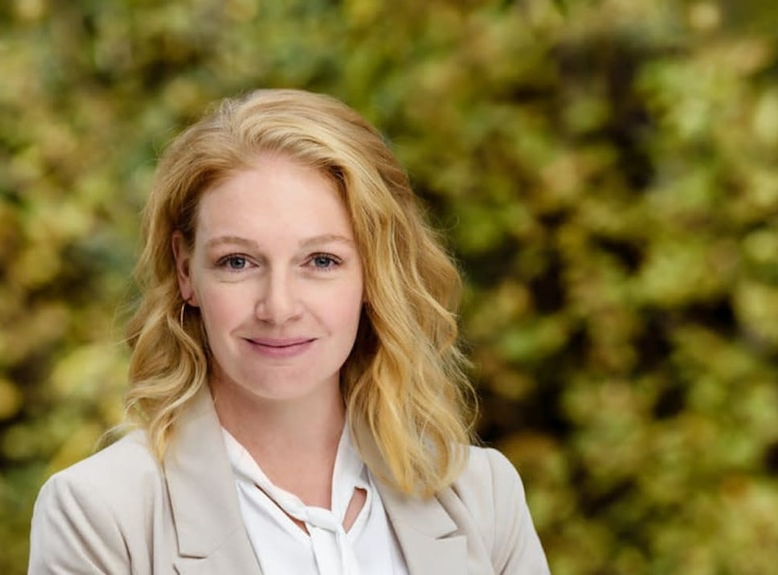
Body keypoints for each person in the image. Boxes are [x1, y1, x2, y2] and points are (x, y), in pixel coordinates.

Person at [28, 88, 550, 574]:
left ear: (373, 272)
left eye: (320, 260)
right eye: (237, 262)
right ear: (186, 271)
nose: (278, 307)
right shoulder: (99, 514)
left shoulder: (483, 497)